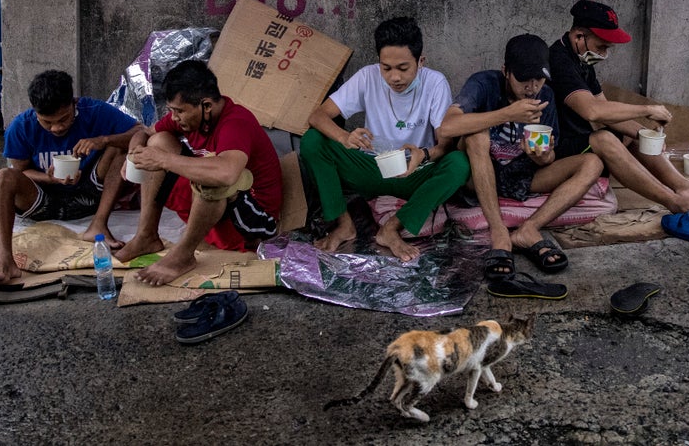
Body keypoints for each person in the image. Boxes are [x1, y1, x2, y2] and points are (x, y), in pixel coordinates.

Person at [299, 16, 470, 262]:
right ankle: (344, 223)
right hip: (370, 167)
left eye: (403, 68)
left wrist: (424, 154)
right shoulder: (367, 76)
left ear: (420, 62)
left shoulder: (435, 83)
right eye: (386, 68)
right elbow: (318, 116)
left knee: (459, 163)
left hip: (414, 172)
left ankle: (392, 228)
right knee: (313, 141)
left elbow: (445, 145)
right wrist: (345, 137)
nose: (394, 78)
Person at [438, 33, 603, 278]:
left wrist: (542, 156)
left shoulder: (544, 96)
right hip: (481, 174)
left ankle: (529, 229)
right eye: (524, 79)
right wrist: (508, 113)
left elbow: (549, 157)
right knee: (476, 135)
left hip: (523, 175)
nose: (532, 87)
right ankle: (499, 231)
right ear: (506, 71)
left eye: (539, 79)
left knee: (593, 162)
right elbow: (447, 127)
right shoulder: (484, 84)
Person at [547, 0, 689, 214]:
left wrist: (644, 132)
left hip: (575, 138)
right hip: (552, 148)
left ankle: (686, 187)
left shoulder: (581, 60)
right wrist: (647, 110)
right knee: (604, 139)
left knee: (634, 134)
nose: (604, 54)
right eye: (601, 47)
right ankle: (672, 200)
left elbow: (606, 110)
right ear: (579, 36)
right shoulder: (560, 61)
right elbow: (593, 111)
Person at [115, 60, 283, 286]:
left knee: (213, 177)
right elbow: (144, 132)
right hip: (217, 215)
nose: (174, 118)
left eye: (179, 112)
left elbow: (226, 174)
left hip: (252, 225)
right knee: (159, 141)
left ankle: (183, 255)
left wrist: (163, 160)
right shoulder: (192, 118)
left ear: (206, 106)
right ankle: (146, 236)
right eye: (172, 111)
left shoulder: (236, 122)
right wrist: (133, 152)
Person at [0, 70, 141, 288]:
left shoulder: (94, 111)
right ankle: (5, 261)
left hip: (91, 195)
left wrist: (103, 140)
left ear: (74, 103)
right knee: (4, 176)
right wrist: (48, 179)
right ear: (35, 112)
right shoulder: (20, 127)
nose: (56, 128)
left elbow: (141, 133)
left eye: (63, 119)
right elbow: (20, 172)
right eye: (47, 123)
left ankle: (98, 225)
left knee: (119, 148)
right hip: (44, 201)